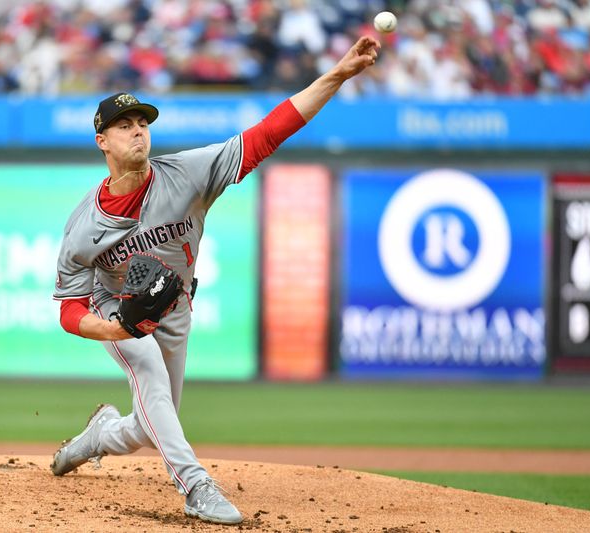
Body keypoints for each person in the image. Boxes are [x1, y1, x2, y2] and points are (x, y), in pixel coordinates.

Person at [50, 35, 381, 525]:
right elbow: (68, 309)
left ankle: (98, 436)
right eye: (124, 126)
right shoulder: (84, 227)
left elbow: (268, 133)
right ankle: (197, 487)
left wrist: (336, 75)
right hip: (116, 308)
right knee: (152, 385)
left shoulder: (187, 174)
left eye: (142, 122)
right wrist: (115, 328)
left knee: (148, 424)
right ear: (103, 141)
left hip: (175, 308)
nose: (138, 132)